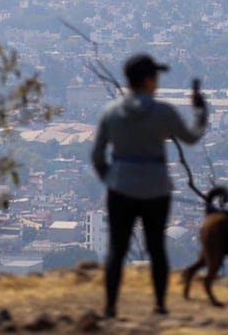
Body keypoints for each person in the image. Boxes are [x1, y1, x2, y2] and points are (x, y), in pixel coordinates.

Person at [90, 53, 208, 318]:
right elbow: (190, 137)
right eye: (155, 77)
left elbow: (97, 155)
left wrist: (110, 177)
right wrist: (200, 111)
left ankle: (110, 306)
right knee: (156, 248)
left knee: (116, 249)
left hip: (120, 187)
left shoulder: (111, 113)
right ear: (147, 80)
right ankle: (159, 304)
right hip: (156, 188)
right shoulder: (162, 112)